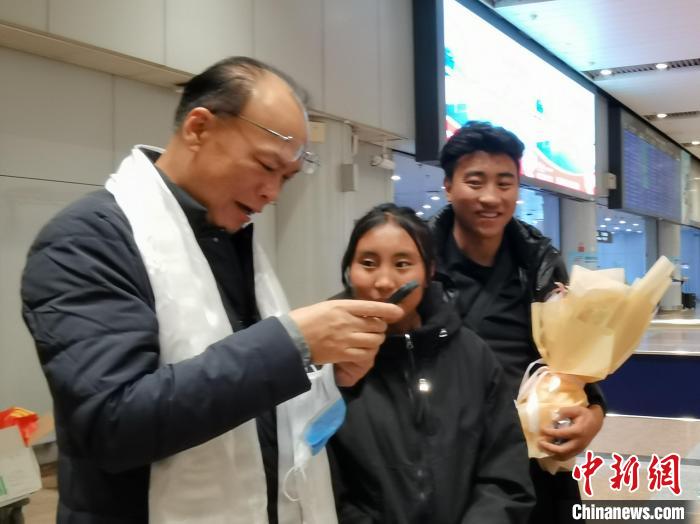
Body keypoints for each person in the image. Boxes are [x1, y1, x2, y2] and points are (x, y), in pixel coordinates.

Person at [20, 56, 403, 524]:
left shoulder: (228, 239)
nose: (272, 193)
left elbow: (243, 397)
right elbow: (111, 424)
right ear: (199, 128)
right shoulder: (87, 241)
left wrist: (326, 374)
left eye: (286, 178)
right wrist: (293, 343)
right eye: (267, 165)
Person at [429, 121, 606, 523]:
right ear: (448, 186)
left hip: (534, 460)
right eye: (475, 182)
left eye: (504, 183)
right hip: (451, 461)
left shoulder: (540, 263)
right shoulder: (422, 263)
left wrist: (594, 413)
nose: (491, 197)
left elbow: (573, 359)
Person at [328, 203, 535, 523]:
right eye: (368, 263)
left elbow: (506, 473)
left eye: (402, 264)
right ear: (348, 271)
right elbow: (323, 487)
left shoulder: (472, 355)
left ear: (429, 272)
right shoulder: (327, 362)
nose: (384, 281)